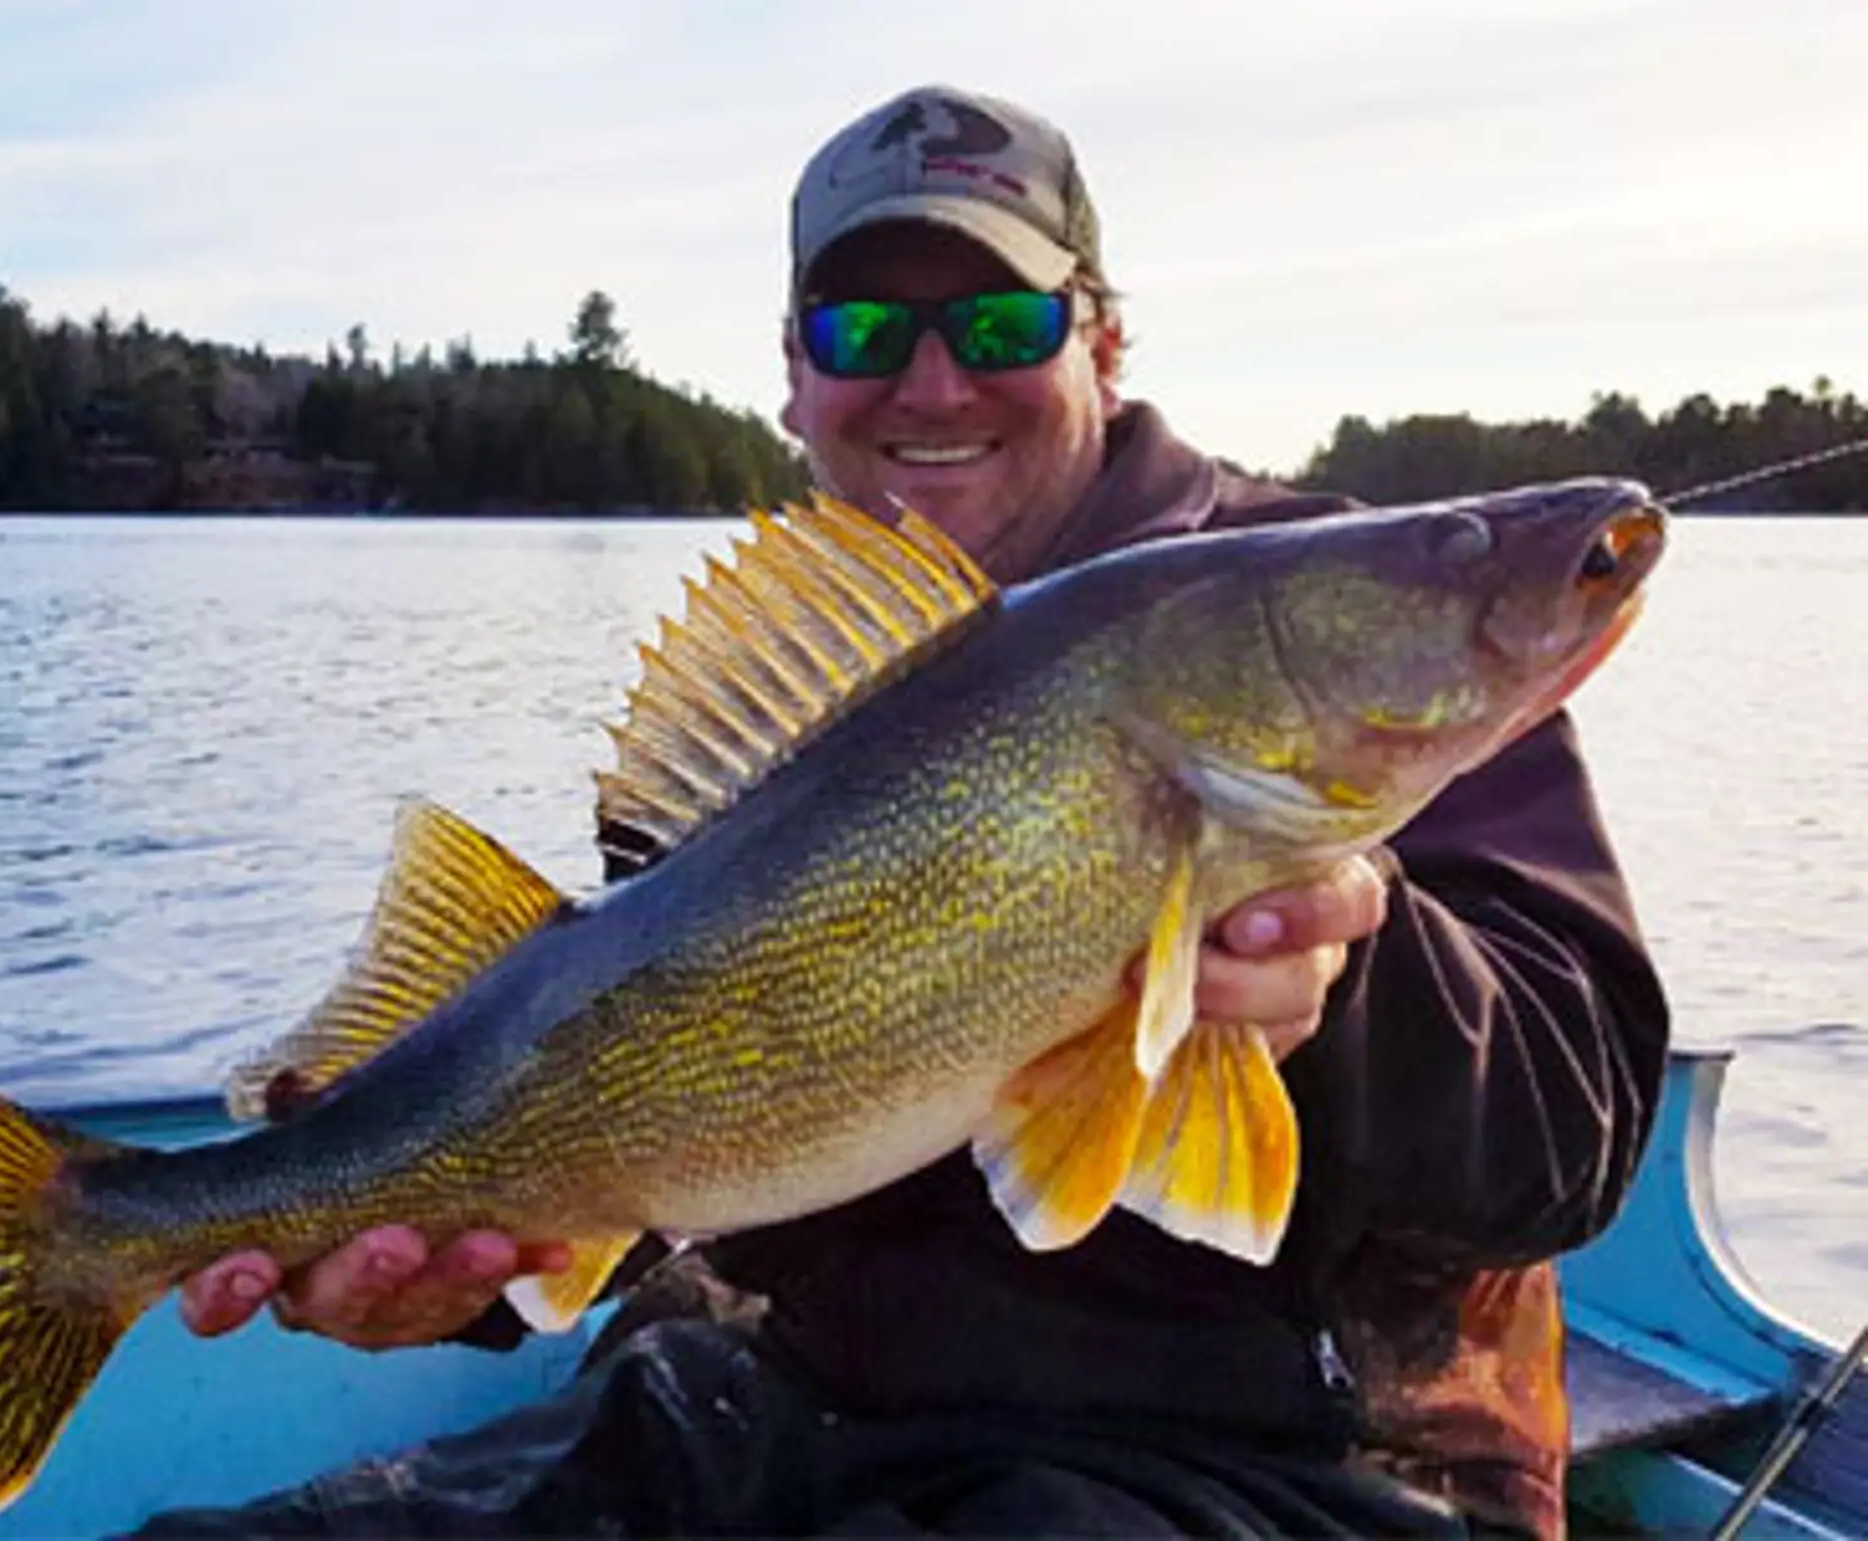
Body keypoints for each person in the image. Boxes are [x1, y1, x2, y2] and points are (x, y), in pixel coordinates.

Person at [148, 85, 1670, 1539]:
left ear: (1106, 343)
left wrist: (1353, 988)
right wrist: (444, 1276)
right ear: (797, 377)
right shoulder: (777, 717)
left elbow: (1577, 1136)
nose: (931, 384)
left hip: (1288, 1471)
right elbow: (672, 1142)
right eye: (863, 328)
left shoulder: (1323, 600)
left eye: (1001, 321)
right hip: (804, 1405)